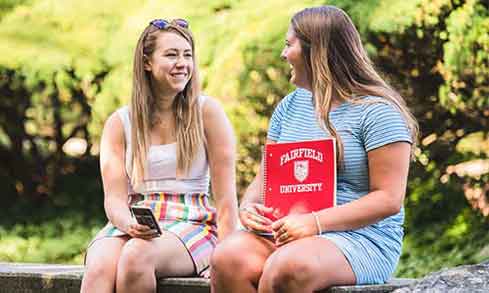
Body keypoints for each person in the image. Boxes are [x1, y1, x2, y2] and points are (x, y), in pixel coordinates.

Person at [211, 5, 418, 293]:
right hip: (289, 232)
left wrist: (315, 222)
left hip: (361, 238)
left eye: (289, 45)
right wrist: (248, 208)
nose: (283, 54)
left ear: (315, 51)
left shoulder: (378, 112)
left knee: (286, 269)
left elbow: (388, 199)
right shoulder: (288, 108)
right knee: (227, 258)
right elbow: (266, 179)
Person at [80, 18, 238, 293]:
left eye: (187, 55)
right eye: (171, 54)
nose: (182, 63)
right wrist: (127, 222)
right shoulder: (120, 122)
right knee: (99, 265)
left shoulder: (207, 112)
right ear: (146, 63)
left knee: (136, 256)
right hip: (138, 221)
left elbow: (226, 199)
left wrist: (226, 257)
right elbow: (115, 199)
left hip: (194, 221)